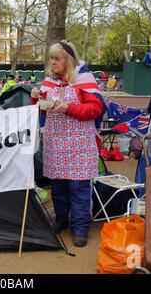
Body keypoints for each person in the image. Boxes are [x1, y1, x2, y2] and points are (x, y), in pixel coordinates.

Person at [31, 40, 103, 247]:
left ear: (68, 61)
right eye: (51, 58)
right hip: (56, 144)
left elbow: (95, 109)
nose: (52, 63)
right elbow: (42, 109)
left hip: (80, 145)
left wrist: (67, 108)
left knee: (79, 188)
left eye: (57, 59)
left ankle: (80, 227)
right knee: (58, 186)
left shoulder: (84, 80)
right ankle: (62, 219)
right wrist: (35, 97)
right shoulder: (50, 81)